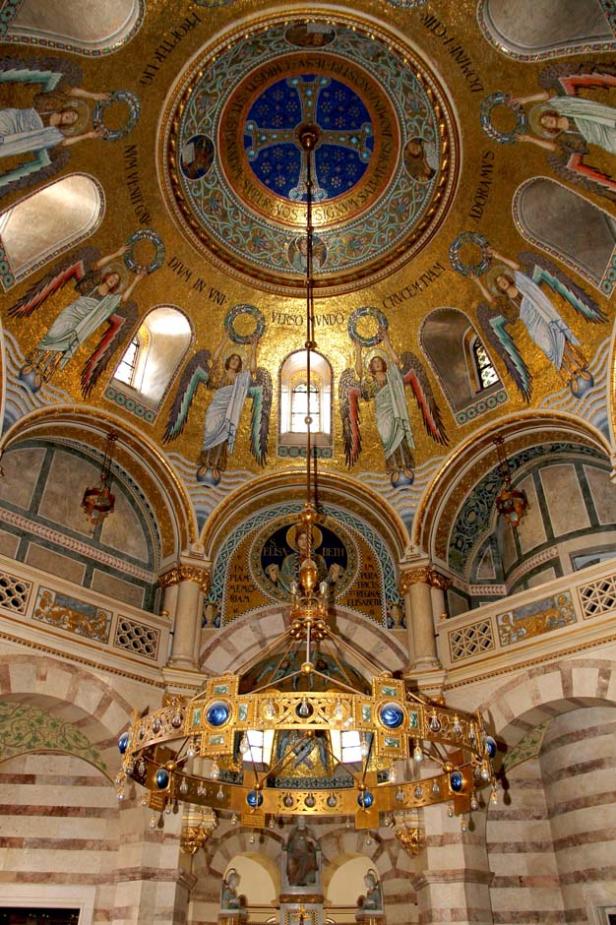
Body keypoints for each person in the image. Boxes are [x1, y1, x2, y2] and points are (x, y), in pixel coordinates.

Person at [20, 245, 145, 390]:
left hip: (83, 323)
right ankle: (34, 360)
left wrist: (136, 280)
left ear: (116, 285)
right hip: (73, 312)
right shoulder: (95, 282)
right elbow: (97, 265)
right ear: (107, 276)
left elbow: (123, 298)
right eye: (113, 277)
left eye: (116, 281)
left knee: (65, 344)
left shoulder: (109, 299)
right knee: (55, 332)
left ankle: (45, 370)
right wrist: (116, 253)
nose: (113, 280)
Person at [471, 247, 593, 395]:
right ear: (499, 288)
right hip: (532, 326)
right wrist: (477, 282)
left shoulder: (522, 284)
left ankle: (577, 364)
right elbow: (491, 300)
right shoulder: (505, 302)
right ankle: (568, 373)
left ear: (507, 278)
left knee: (560, 337)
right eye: (499, 283)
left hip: (541, 315)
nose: (502, 282)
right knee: (549, 347)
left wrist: (498, 256)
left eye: (502, 279)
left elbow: (517, 268)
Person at [196, 332, 260, 484]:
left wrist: (254, 347)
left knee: (223, 437)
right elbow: (214, 359)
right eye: (232, 358)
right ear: (228, 360)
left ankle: (216, 464)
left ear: (239, 364)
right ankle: (204, 462)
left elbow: (252, 370)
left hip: (229, 411)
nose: (234, 361)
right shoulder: (220, 372)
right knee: (211, 431)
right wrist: (224, 339)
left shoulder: (240, 378)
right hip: (216, 408)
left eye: (237, 360)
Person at [355, 327, 415, 485]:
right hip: (382, 414)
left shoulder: (391, 376)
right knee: (387, 438)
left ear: (383, 363)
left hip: (394, 409)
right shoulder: (371, 382)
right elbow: (359, 374)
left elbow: (396, 361)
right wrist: (358, 350)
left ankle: (405, 465)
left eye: (378, 361)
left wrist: (387, 341)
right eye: (373, 363)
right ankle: (393, 467)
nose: (376, 364)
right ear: (371, 367)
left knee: (399, 436)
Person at [0, 86, 108, 165]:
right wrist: (93, 95)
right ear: (67, 109)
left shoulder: (54, 134)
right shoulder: (52, 104)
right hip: (10, 119)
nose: (70, 116)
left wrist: (87, 135)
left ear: (69, 125)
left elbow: (65, 142)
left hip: (16, 138)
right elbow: (71, 91)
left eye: (72, 119)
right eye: (72, 113)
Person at [511, 90, 616, 154]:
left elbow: (546, 95)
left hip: (603, 119)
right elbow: (553, 147)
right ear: (548, 128)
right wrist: (530, 139)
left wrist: (526, 99)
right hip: (603, 138)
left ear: (550, 113)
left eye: (546, 118)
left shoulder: (562, 107)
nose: (548, 121)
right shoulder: (564, 136)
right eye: (545, 124)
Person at [286, 820, 319, 887]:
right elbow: (287, 845)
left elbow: (316, 846)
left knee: (306, 858)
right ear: (297, 821)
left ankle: (299, 880)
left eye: (303, 820)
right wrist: (286, 840)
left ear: (305, 822)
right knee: (291, 861)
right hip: (294, 854)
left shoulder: (309, 832)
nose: (301, 821)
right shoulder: (293, 832)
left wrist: (312, 841)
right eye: (300, 820)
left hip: (306, 853)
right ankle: (296, 880)